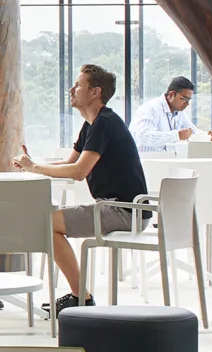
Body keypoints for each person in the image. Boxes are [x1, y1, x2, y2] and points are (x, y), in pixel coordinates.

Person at [13, 63, 147, 312]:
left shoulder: (104, 123)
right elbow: (69, 162)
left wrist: (35, 168)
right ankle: (80, 295)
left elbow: (78, 172)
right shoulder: (92, 124)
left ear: (95, 92)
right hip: (117, 208)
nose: (71, 89)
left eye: (78, 85)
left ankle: (81, 297)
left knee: (45, 223)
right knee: (46, 221)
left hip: (124, 211)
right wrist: (32, 164)